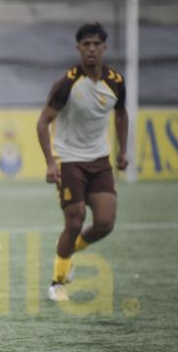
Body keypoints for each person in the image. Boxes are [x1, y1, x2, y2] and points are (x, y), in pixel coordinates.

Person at [37, 22, 128, 302]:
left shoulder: (115, 81)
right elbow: (43, 123)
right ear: (78, 49)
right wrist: (51, 163)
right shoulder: (66, 83)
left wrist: (122, 151)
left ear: (104, 48)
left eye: (96, 44)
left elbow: (121, 115)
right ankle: (57, 282)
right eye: (86, 45)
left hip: (99, 160)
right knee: (75, 219)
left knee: (104, 223)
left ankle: (70, 248)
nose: (91, 50)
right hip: (69, 160)